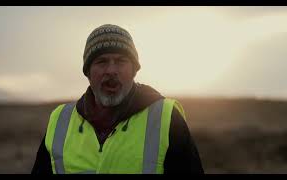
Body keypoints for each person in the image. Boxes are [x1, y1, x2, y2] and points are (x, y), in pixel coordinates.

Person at [31, 24, 204, 174]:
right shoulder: (60, 121)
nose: (111, 70)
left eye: (121, 61)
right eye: (102, 61)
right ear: (88, 72)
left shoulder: (166, 118)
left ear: (134, 70)